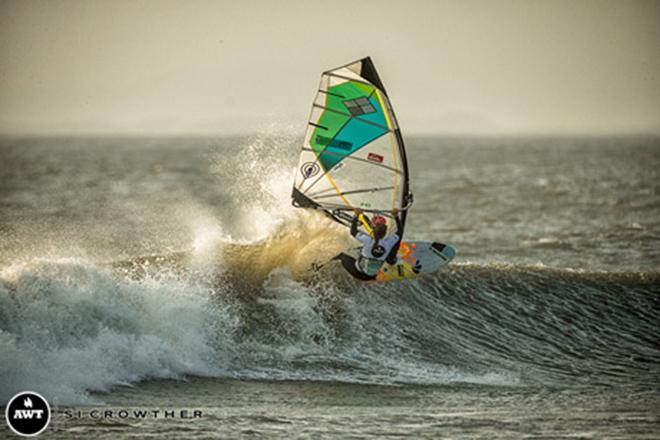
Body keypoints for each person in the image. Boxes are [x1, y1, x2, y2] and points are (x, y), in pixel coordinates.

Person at [334, 207, 403, 281]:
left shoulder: (368, 240)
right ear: (385, 234)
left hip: (357, 273)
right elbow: (400, 232)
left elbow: (353, 231)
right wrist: (396, 216)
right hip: (371, 277)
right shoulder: (389, 242)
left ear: (373, 232)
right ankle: (373, 275)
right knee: (361, 252)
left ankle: (324, 264)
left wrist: (356, 215)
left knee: (343, 255)